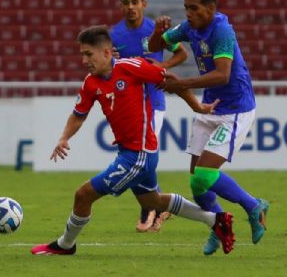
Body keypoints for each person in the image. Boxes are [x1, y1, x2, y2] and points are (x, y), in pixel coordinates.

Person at [31, 25, 235, 256]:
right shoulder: (90, 82)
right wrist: (64, 138)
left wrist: (196, 106)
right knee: (154, 202)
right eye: (82, 55)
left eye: (89, 54)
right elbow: (79, 114)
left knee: (83, 195)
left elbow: (169, 78)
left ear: (107, 53)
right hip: (130, 152)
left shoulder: (131, 68)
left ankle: (65, 245)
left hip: (139, 154)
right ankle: (216, 220)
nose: (84, 60)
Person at [147, 0, 270, 256]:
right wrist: (157, 33)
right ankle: (218, 227)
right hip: (210, 107)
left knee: (204, 174)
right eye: (186, 8)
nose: (188, 13)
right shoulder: (189, 28)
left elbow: (223, 75)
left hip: (235, 108)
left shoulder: (222, 31)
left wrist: (183, 84)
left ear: (210, 8)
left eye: (194, 8)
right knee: (196, 182)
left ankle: (253, 205)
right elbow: (154, 47)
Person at [110, 0, 188, 233]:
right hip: (127, 106)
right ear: (120, 6)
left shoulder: (156, 31)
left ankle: (149, 205)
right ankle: (155, 202)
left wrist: (162, 66)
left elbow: (182, 54)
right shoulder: (114, 35)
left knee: (140, 155)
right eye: (126, 2)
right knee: (137, 156)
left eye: (135, 2)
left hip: (153, 103)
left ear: (144, 4)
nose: (130, 7)